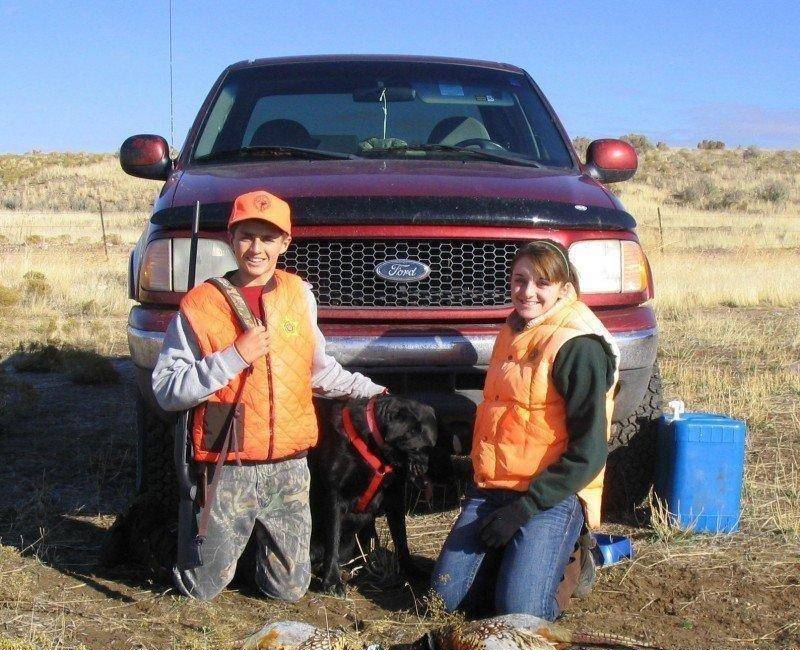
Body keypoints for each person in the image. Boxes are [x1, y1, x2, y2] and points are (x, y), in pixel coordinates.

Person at [152, 190, 385, 602]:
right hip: (230, 462)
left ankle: (246, 554)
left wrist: (371, 390)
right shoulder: (200, 304)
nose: (256, 248)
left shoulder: (299, 295)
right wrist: (233, 358)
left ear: (285, 243)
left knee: (289, 591)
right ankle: (186, 552)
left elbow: (319, 371)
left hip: (290, 467)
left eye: (267, 237)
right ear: (230, 238)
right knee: (200, 590)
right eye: (246, 236)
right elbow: (167, 390)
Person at [431, 240, 619, 620]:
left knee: (521, 615)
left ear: (565, 288)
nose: (527, 292)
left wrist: (526, 508)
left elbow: (590, 453)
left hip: (551, 495)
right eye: (520, 280)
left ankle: (576, 556)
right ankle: (515, 562)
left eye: (542, 283)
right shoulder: (514, 328)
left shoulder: (579, 346)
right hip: (493, 490)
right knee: (443, 603)